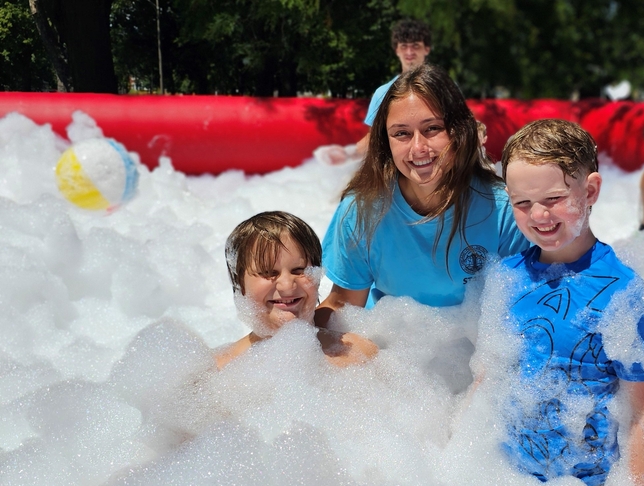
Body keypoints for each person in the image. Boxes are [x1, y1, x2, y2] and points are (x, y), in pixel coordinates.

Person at [492, 119, 644, 486]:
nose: (539, 215)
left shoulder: (622, 292)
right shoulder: (505, 278)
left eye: (553, 199)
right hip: (507, 485)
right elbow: (489, 379)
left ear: (590, 190)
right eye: (522, 203)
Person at [315, 63, 530, 326]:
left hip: (474, 349)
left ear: (459, 131)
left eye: (432, 129)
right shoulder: (362, 211)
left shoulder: (503, 211)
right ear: (386, 142)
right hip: (390, 344)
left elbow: (521, 310)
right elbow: (343, 305)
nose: (418, 148)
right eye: (401, 133)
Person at [216, 211, 378, 369]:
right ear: (239, 283)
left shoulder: (360, 355)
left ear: (317, 276)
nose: (287, 286)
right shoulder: (219, 369)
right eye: (268, 273)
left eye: (299, 270)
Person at [317, 19, 432, 165]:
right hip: (400, 170)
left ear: (426, 49)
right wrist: (348, 154)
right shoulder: (383, 93)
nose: (409, 52)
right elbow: (374, 138)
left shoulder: (443, 88)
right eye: (404, 46)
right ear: (397, 50)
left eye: (415, 46)